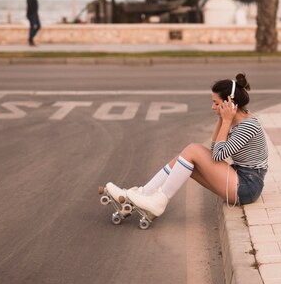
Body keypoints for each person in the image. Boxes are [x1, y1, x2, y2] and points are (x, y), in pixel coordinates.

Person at [104, 73, 268, 218]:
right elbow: (214, 149)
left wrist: (225, 120)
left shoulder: (248, 125)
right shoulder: (235, 121)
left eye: (216, 103)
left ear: (229, 104)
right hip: (239, 179)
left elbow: (218, 155)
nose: (212, 107)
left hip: (247, 186)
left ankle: (157, 201)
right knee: (186, 161)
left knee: (193, 150)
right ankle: (141, 195)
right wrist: (221, 119)